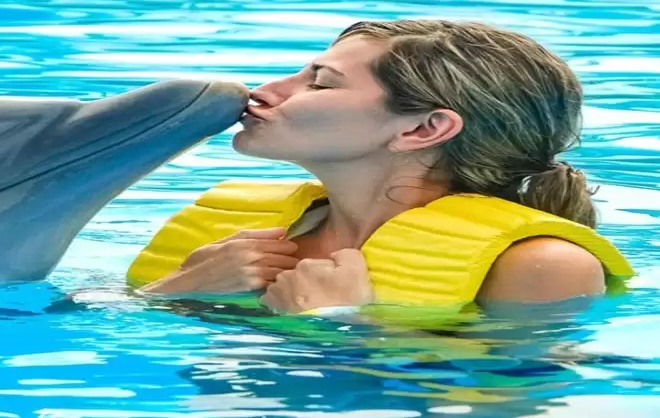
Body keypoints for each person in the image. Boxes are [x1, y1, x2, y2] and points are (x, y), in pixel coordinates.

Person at [124, 19, 634, 316]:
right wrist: (176, 289)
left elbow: (514, 400)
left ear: (424, 129)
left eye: (321, 83)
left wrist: (339, 322)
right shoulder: (234, 239)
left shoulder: (538, 266)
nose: (265, 91)